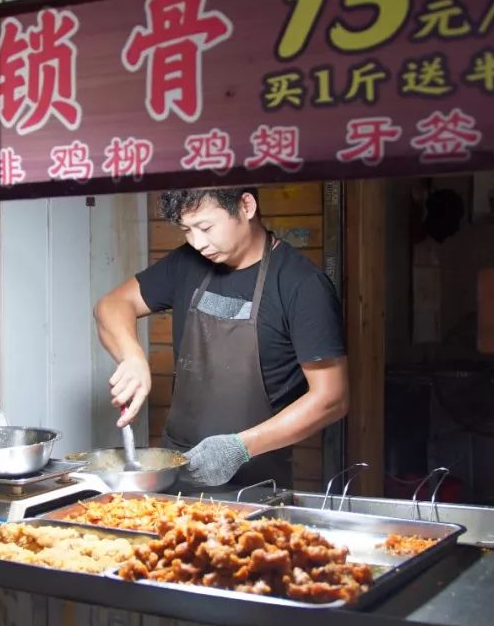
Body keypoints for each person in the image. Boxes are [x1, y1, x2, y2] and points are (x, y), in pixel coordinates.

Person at [94, 186, 349, 488]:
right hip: (176, 473)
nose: (197, 243)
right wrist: (132, 357)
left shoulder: (302, 285)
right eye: (186, 230)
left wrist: (239, 448)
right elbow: (110, 306)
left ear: (246, 206)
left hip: (255, 482)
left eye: (205, 227)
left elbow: (332, 398)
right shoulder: (187, 263)